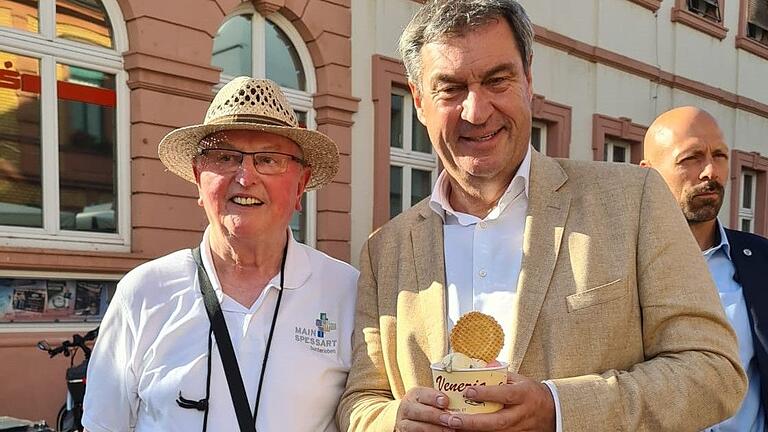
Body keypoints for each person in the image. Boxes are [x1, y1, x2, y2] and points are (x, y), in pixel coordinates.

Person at [337, 1, 746, 431]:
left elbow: (714, 371)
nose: (476, 111)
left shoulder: (633, 201)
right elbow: (361, 401)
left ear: (528, 79)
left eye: (497, 80)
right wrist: (394, 421)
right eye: (450, 89)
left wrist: (559, 409)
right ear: (418, 100)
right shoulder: (387, 248)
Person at [82, 77, 359, 432]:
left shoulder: (345, 291)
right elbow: (103, 426)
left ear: (300, 185)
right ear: (199, 178)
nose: (245, 177)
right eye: (225, 157)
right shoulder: (145, 292)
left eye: (268, 160)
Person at [641, 106, 767, 432]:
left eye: (720, 155)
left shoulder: (762, 261)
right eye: (691, 158)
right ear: (647, 173)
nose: (711, 171)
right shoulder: (620, 265)